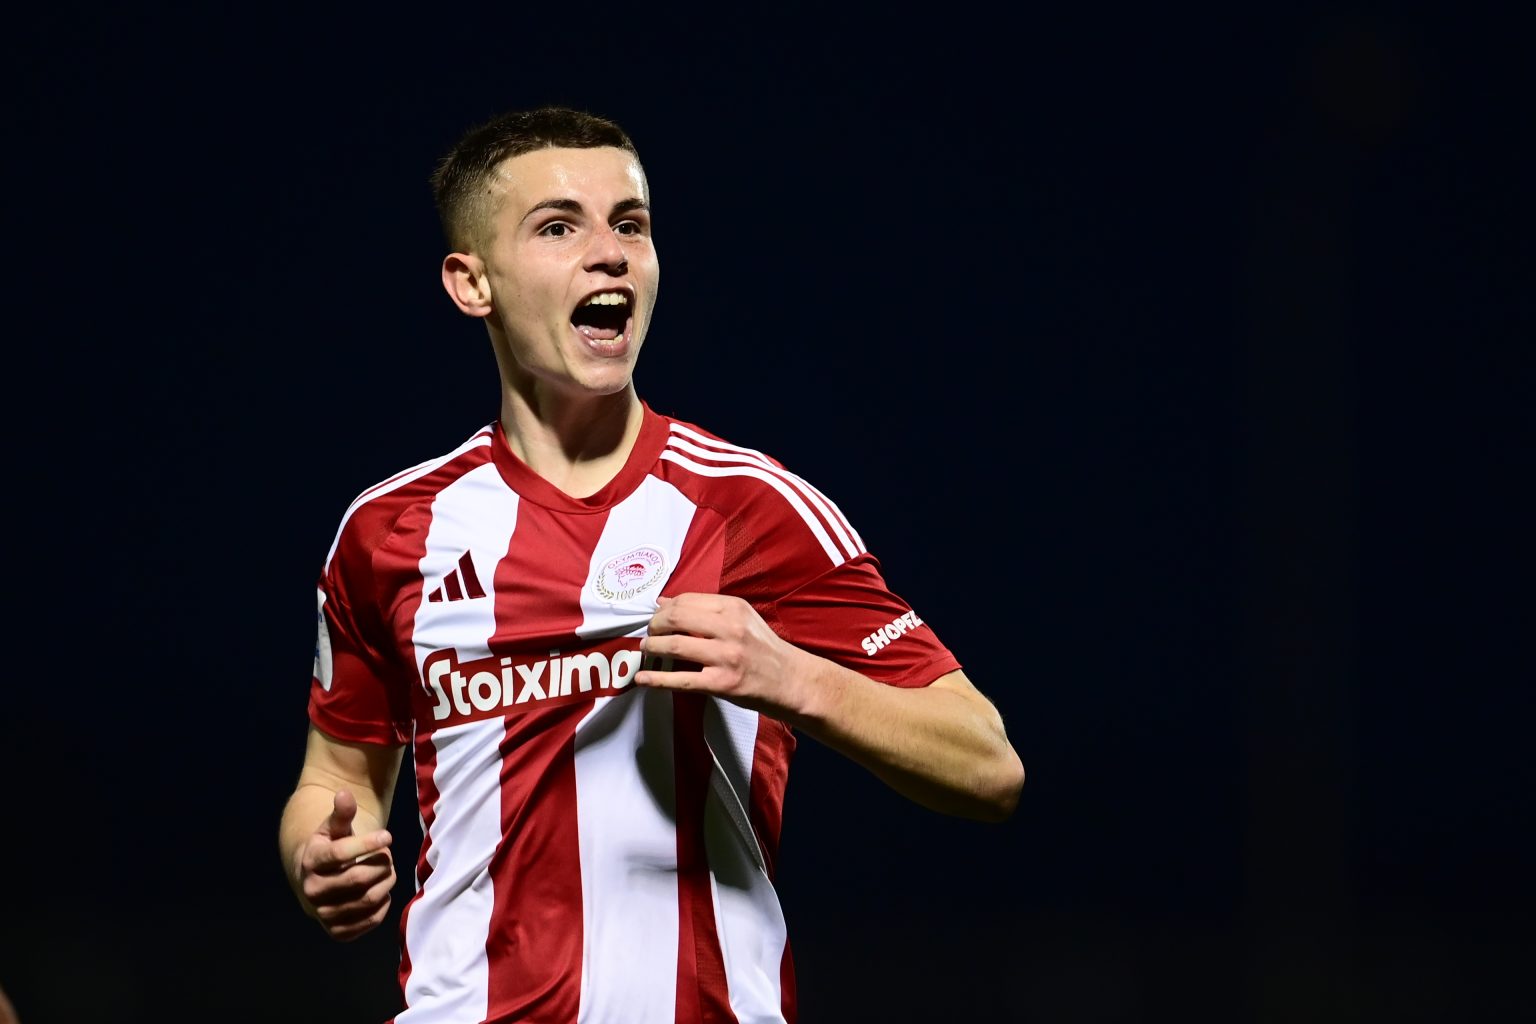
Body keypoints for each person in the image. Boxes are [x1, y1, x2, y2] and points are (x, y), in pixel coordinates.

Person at [278, 104, 1024, 1024]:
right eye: (559, 228)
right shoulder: (390, 531)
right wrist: (319, 856)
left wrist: (793, 677)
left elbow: (987, 763)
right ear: (472, 283)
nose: (610, 254)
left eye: (630, 224)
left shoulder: (750, 507)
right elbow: (338, 779)